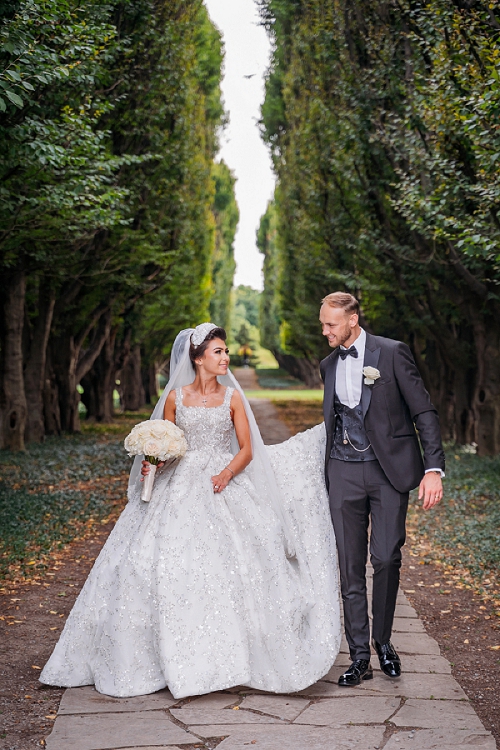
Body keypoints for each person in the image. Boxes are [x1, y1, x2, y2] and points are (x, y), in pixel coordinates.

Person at [40, 323, 341, 699]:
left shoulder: (232, 398)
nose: (226, 357)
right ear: (197, 358)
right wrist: (154, 463)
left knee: (240, 560)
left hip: (221, 480)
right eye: (218, 352)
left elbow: (247, 449)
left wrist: (226, 474)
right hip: (178, 484)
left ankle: (231, 655)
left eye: (226, 351)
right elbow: (168, 444)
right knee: (146, 561)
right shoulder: (175, 398)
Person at [319, 292, 445, 687]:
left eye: (331, 324)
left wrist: (433, 468)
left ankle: (384, 642)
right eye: (323, 324)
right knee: (349, 565)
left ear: (352, 320)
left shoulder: (391, 353)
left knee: (387, 557)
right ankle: (359, 657)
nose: (325, 331)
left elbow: (423, 410)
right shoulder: (328, 365)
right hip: (342, 471)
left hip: (388, 472)